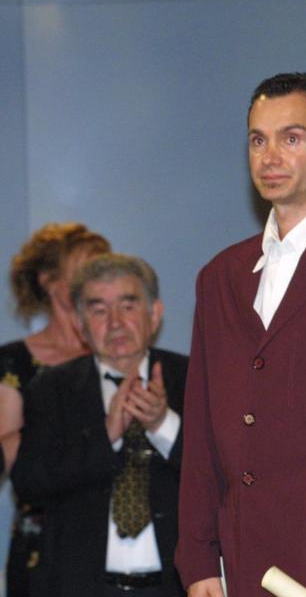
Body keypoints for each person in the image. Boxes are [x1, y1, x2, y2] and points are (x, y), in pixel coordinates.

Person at [175, 72, 306, 597]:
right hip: (239, 562)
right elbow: (200, 430)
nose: (270, 157)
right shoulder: (219, 275)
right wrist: (197, 560)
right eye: (258, 140)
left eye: (291, 138)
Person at [11, 253, 186, 597]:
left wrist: (163, 424)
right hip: (83, 586)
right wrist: (106, 435)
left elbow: (230, 473)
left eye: (128, 305)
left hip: (176, 586)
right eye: (99, 310)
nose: (116, 322)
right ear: (79, 324)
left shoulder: (195, 378)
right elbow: (28, 483)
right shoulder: (51, 389)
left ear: (155, 314)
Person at [0, 222, 110, 597]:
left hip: (113, 537)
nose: (95, 281)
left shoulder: (115, 358)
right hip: (46, 543)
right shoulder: (15, 362)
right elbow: (8, 453)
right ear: (48, 281)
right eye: (85, 269)